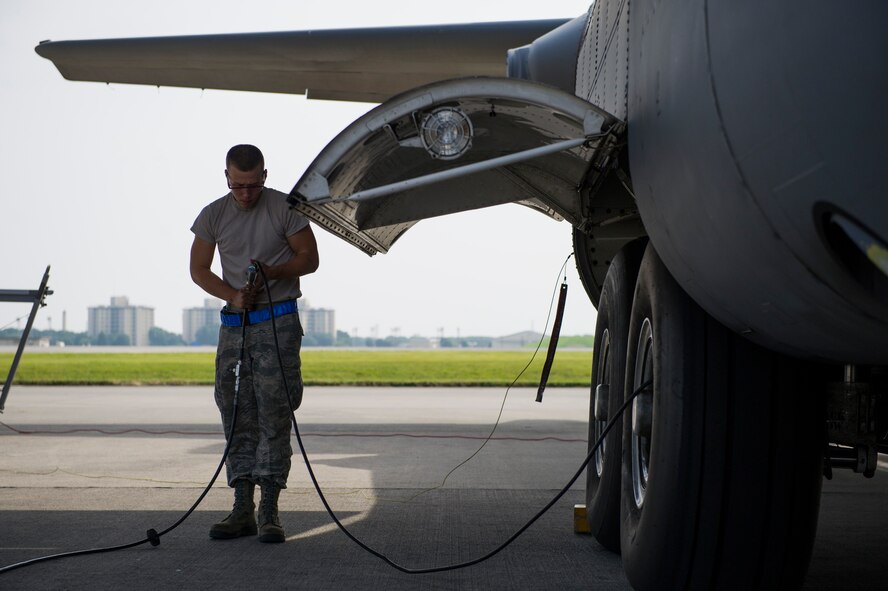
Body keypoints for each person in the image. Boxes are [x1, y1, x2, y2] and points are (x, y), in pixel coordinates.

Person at [190, 144, 318, 543]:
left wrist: (273, 272)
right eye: (238, 185)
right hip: (235, 324)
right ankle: (242, 506)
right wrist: (231, 294)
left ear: (265, 176)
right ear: (226, 177)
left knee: (274, 411)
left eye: (252, 184)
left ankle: (270, 510)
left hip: (277, 321)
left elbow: (309, 259)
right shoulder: (213, 214)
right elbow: (198, 269)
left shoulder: (286, 208)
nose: (245, 193)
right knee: (234, 410)